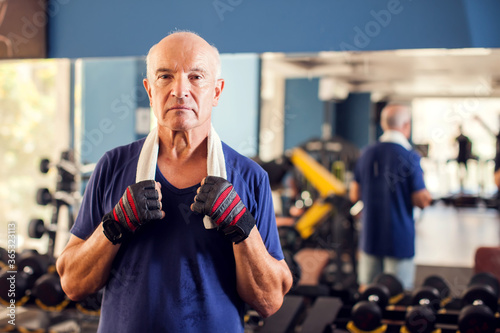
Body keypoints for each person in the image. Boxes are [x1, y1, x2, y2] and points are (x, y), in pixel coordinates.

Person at [56, 31, 292, 333]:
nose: (180, 90)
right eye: (165, 76)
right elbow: (72, 283)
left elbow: (270, 301)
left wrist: (242, 228)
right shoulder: (112, 166)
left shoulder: (250, 177)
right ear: (150, 90)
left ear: (217, 92)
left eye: (196, 77)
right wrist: (113, 226)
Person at [349, 104, 432, 291]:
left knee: (368, 291)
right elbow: (421, 200)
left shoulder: (366, 153)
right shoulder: (411, 157)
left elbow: (354, 194)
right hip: (399, 238)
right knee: (397, 294)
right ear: (406, 125)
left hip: (370, 235)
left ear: (383, 124)